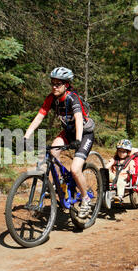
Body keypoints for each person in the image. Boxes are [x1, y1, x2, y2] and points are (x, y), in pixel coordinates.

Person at [24, 67, 95, 218]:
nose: (54, 86)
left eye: (58, 84)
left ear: (66, 85)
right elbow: (39, 117)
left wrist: (77, 139)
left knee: (75, 169)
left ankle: (85, 199)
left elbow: (78, 119)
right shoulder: (51, 98)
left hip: (84, 134)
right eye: (53, 83)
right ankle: (62, 184)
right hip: (68, 133)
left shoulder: (72, 98)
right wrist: (27, 135)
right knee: (52, 152)